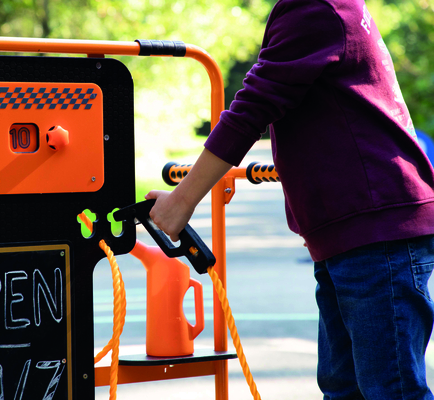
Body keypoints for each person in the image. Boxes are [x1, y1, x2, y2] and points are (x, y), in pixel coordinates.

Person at [146, 0, 434, 399]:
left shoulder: (314, 7)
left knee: (390, 389)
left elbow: (251, 109)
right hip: (355, 232)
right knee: (343, 388)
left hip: (376, 229)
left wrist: (182, 201)